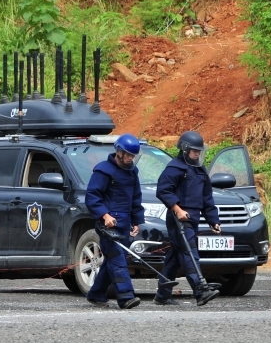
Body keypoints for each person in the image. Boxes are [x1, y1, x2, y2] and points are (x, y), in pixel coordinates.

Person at [154, 131, 221, 306]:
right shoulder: (174, 168)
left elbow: (207, 198)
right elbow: (163, 190)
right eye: (194, 151)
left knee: (176, 256)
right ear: (184, 150)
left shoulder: (200, 170)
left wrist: (213, 220)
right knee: (189, 252)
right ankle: (200, 290)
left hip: (194, 217)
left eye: (199, 151)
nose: (197, 154)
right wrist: (177, 209)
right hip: (179, 218)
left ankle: (162, 294)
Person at [83, 134, 144, 309]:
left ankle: (96, 293)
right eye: (128, 155)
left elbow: (135, 198)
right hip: (108, 224)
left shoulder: (132, 172)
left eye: (133, 155)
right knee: (117, 259)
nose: (131, 159)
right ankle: (126, 297)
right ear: (119, 152)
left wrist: (136, 221)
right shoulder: (103, 170)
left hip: (125, 222)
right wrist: (105, 215)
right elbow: (92, 196)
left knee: (113, 260)